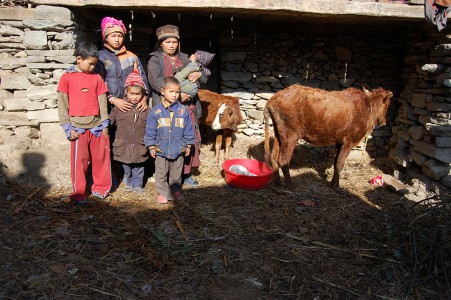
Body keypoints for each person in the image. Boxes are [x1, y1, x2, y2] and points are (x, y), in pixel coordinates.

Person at [147, 24, 205, 187]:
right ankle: (167, 175)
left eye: (174, 42)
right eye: (167, 42)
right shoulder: (155, 59)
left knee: (186, 138)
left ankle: (186, 174)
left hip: (186, 108)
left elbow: (204, 77)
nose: (171, 45)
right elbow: (155, 82)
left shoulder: (185, 58)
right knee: (169, 138)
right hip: (165, 107)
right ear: (161, 43)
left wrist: (198, 74)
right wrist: (177, 95)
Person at [57, 42, 111, 205]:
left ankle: (101, 189)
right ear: (79, 59)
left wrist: (105, 125)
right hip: (77, 128)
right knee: (79, 162)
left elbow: (102, 102)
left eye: (95, 64)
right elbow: (62, 104)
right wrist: (67, 128)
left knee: (101, 159)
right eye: (91, 63)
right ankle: (79, 194)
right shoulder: (67, 78)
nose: (93, 67)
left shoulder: (97, 78)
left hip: (97, 127)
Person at [144, 77, 194, 204]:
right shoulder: (156, 111)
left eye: (177, 92)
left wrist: (188, 144)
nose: (174, 95)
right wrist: (151, 146)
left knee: (176, 171)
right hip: (161, 148)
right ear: (162, 91)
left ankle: (175, 189)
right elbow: (150, 130)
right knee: (161, 172)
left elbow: (188, 128)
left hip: (178, 147)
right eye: (171, 91)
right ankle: (162, 192)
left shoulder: (183, 111)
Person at [97, 16, 150, 112]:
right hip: (106, 103)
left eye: (120, 36)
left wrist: (144, 97)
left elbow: (142, 78)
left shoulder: (131, 57)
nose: (117, 39)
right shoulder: (100, 57)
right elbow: (97, 82)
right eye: (113, 36)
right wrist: (112, 99)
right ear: (106, 38)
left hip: (129, 104)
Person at [109, 70, 150, 194]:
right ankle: (128, 181)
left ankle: (137, 185)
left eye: (138, 94)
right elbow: (111, 120)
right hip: (124, 145)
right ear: (126, 91)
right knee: (126, 165)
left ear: (143, 94)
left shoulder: (145, 109)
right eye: (132, 93)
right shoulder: (119, 107)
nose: (135, 97)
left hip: (139, 145)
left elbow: (152, 125)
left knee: (138, 166)